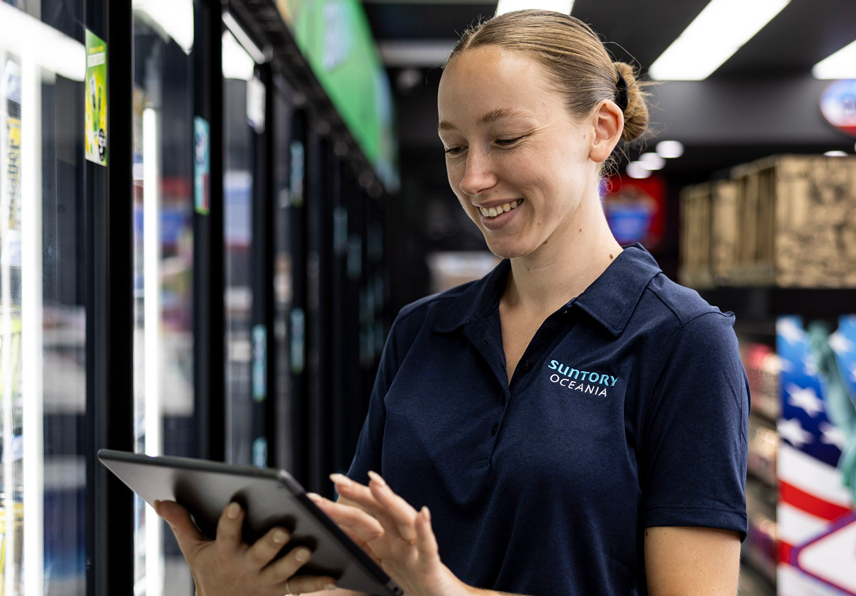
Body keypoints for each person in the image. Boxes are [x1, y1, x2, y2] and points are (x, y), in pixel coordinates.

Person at [154, 9, 748, 596]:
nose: (473, 177)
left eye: (506, 139)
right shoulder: (423, 331)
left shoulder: (684, 342)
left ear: (601, 130)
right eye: (454, 147)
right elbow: (359, 573)